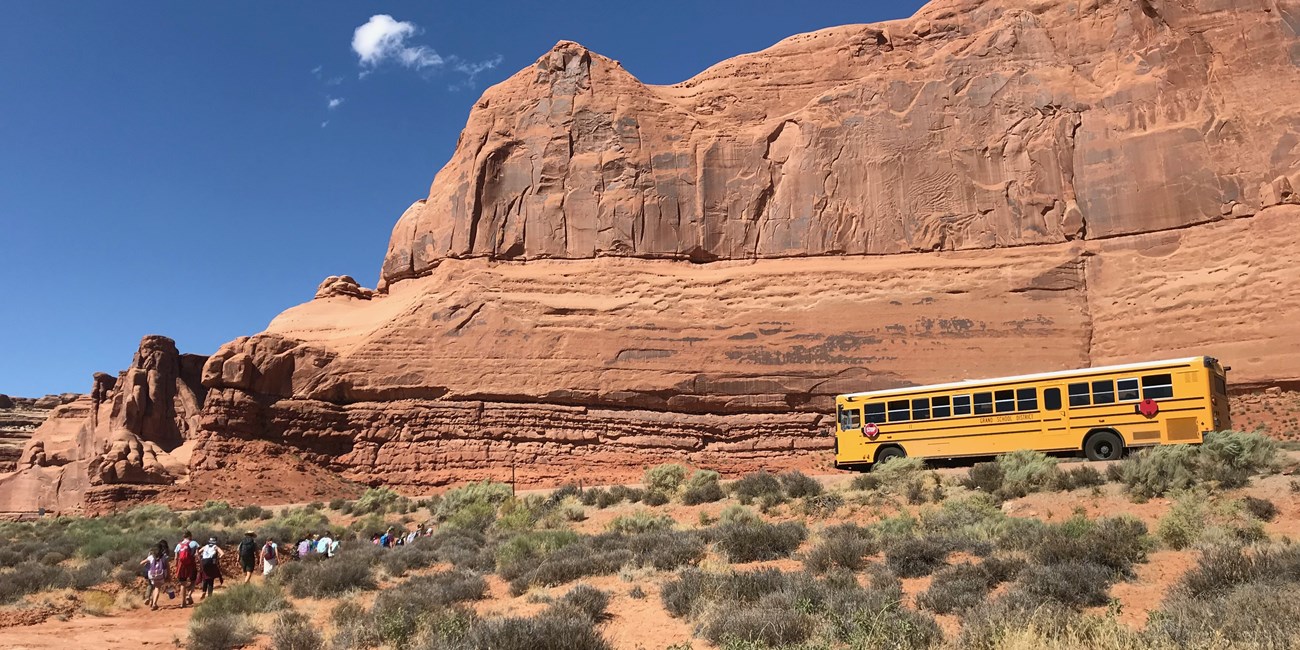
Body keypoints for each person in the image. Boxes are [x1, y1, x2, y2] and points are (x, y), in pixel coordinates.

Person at [140, 540, 169, 611]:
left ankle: (148, 598)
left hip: (151, 574)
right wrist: (168, 576)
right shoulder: (164, 557)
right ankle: (154, 603)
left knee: (151, 586)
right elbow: (167, 567)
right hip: (160, 574)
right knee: (157, 588)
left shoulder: (151, 556)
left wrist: (146, 562)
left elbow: (141, 563)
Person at [174, 531, 199, 606]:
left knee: (183, 583)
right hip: (191, 564)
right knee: (193, 580)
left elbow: (176, 557)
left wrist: (176, 566)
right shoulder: (194, 543)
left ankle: (183, 602)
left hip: (181, 565)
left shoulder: (179, 545)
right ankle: (189, 594)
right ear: (190, 536)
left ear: (183, 537)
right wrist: (200, 563)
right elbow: (197, 554)